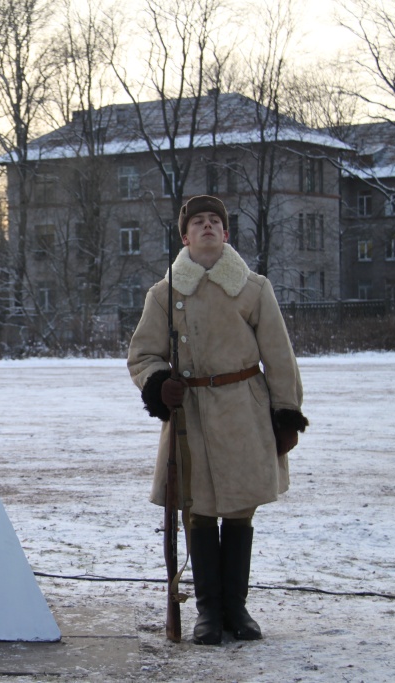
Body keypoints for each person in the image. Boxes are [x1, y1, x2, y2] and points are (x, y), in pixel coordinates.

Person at [127, 195, 308, 645]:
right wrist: (157, 383)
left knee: (240, 511)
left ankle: (236, 609)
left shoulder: (253, 288)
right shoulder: (164, 293)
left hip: (244, 409)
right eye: (198, 222)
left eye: (215, 222)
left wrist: (286, 413)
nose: (207, 227)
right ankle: (208, 611)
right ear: (184, 236)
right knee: (199, 509)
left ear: (226, 234)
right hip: (191, 415)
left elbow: (279, 358)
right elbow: (143, 354)